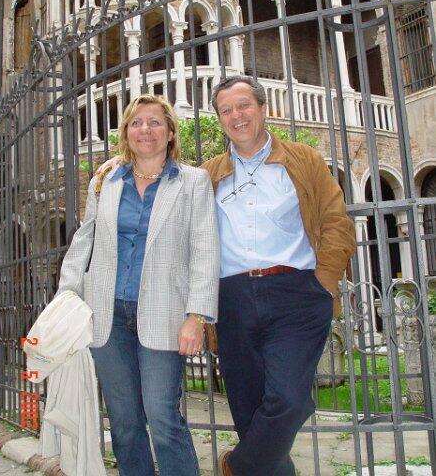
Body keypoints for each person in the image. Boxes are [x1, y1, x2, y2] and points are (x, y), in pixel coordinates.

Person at [97, 77, 356, 476]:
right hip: (232, 298)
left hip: (296, 292)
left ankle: (236, 465)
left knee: (290, 400)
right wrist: (121, 164)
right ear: (219, 119)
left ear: (263, 109)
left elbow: (336, 222)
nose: (237, 116)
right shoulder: (208, 174)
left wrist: (322, 283)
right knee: (249, 410)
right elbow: (185, 226)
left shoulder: (303, 159)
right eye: (226, 110)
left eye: (244, 105)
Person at [57, 94, 219, 476]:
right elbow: (84, 240)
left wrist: (197, 316)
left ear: (170, 133)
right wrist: (67, 295)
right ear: (126, 133)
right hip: (107, 314)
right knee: (125, 422)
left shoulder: (193, 182)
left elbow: (205, 249)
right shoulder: (105, 182)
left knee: (163, 417)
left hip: (165, 313)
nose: (145, 129)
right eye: (136, 123)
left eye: (155, 122)